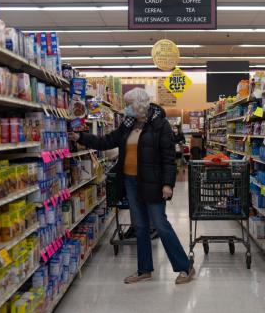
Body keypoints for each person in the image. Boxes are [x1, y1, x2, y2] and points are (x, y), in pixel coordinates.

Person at [69, 88, 195, 285]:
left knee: (160, 225)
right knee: (141, 226)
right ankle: (144, 269)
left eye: (128, 104)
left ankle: (185, 267)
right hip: (130, 181)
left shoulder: (160, 126)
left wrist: (168, 184)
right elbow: (106, 141)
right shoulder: (127, 126)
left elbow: (168, 159)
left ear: (138, 105)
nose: (126, 108)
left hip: (152, 183)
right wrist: (81, 138)